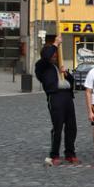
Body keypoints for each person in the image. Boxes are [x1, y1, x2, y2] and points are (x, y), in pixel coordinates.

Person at [35, 36, 77, 166]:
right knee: (58, 127)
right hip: (55, 96)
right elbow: (47, 56)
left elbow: (72, 82)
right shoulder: (41, 65)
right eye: (53, 54)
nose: (54, 56)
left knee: (72, 127)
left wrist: (67, 74)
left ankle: (70, 153)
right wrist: (55, 43)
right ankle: (54, 154)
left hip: (67, 97)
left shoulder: (59, 65)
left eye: (55, 54)